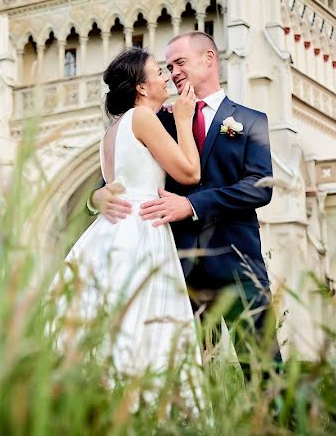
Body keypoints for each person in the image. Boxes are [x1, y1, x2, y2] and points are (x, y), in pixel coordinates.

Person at [90, 31, 280, 381]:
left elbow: (259, 188)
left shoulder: (251, 121)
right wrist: (98, 197)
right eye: (167, 66)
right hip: (175, 271)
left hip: (238, 265)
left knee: (265, 374)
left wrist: (192, 205)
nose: (173, 72)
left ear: (209, 58)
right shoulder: (154, 119)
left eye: (179, 62)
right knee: (177, 375)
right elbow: (117, 178)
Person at [51, 46, 204, 408]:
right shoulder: (142, 118)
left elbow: (109, 187)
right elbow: (190, 172)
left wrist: (95, 199)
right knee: (145, 326)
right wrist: (183, 120)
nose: (166, 77)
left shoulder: (111, 131)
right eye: (158, 72)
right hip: (142, 228)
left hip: (110, 232)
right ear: (140, 86)